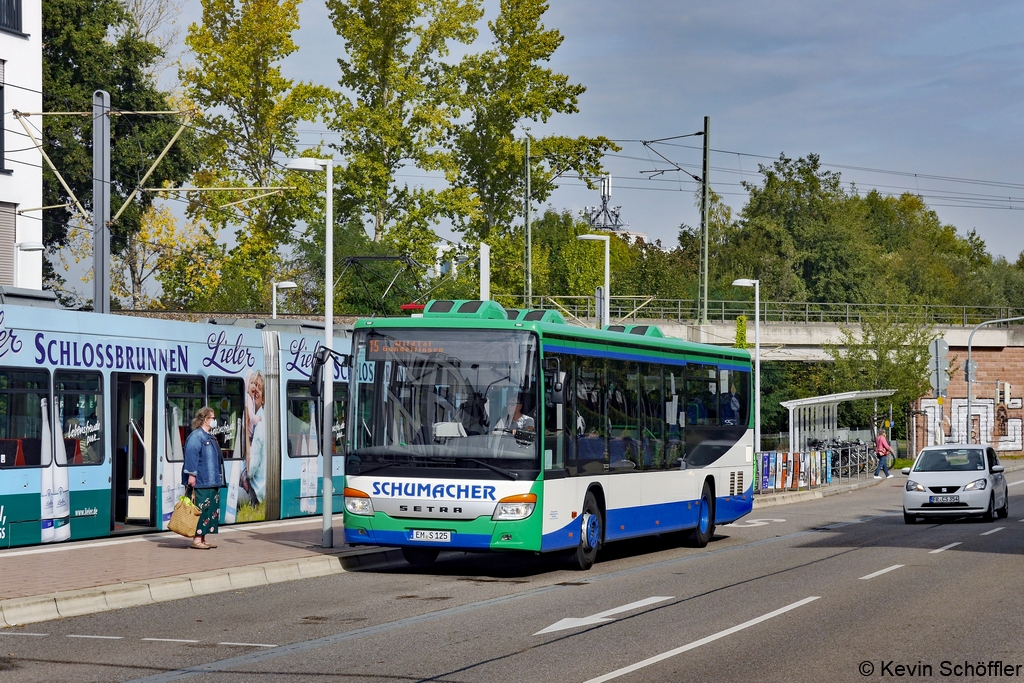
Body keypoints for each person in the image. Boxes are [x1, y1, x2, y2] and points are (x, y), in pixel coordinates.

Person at [181, 406, 225, 550]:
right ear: (206, 420)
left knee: (209, 510)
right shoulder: (196, 436)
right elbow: (191, 456)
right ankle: (197, 539)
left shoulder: (210, 437)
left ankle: (203, 538)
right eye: (212, 418)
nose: (214, 421)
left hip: (212, 481)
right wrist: (192, 475)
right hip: (201, 482)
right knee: (200, 509)